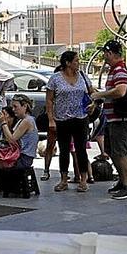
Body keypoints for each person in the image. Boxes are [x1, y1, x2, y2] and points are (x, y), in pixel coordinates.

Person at [91, 40, 127, 200]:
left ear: (110, 53)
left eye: (105, 53)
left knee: (120, 153)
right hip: (113, 119)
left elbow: (121, 91)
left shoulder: (119, 70)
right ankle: (121, 181)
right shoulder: (113, 70)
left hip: (121, 119)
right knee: (112, 152)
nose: (103, 56)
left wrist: (101, 95)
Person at [46, 51, 95, 193]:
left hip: (81, 117)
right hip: (62, 119)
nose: (78, 63)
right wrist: (51, 119)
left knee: (81, 150)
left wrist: (94, 104)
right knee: (64, 150)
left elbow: (92, 93)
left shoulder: (83, 77)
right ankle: (63, 180)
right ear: (67, 63)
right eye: (76, 61)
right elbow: (49, 100)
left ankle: (83, 180)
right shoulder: (55, 79)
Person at [0, 98, 38, 197]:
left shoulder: (27, 121)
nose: (14, 110)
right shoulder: (22, 120)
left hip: (22, 159)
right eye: (13, 107)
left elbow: (12, 139)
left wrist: (3, 123)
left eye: (16, 107)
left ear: (25, 106)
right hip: (20, 156)